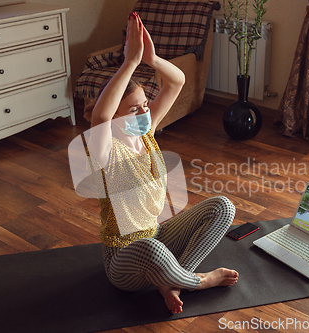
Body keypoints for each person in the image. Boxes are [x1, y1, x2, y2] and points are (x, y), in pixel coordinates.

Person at [82, 12, 238, 314]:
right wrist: (129, 62)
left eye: (144, 106)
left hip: (156, 236)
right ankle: (200, 280)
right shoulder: (106, 151)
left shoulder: (147, 132)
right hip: (124, 260)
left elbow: (176, 81)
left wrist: (151, 58)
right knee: (151, 248)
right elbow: (99, 117)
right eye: (133, 110)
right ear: (115, 116)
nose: (143, 114)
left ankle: (175, 282)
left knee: (223, 206)